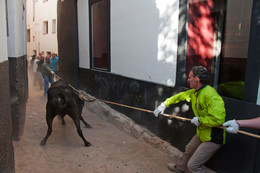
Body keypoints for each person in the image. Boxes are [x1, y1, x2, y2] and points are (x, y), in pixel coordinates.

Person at [154, 66, 226, 173]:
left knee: (193, 166)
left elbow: (219, 119)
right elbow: (180, 96)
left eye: (190, 77)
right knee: (189, 150)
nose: (188, 79)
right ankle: (179, 168)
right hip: (202, 131)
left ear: (197, 79)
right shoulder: (195, 92)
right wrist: (164, 104)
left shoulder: (211, 95)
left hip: (213, 137)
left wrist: (200, 120)